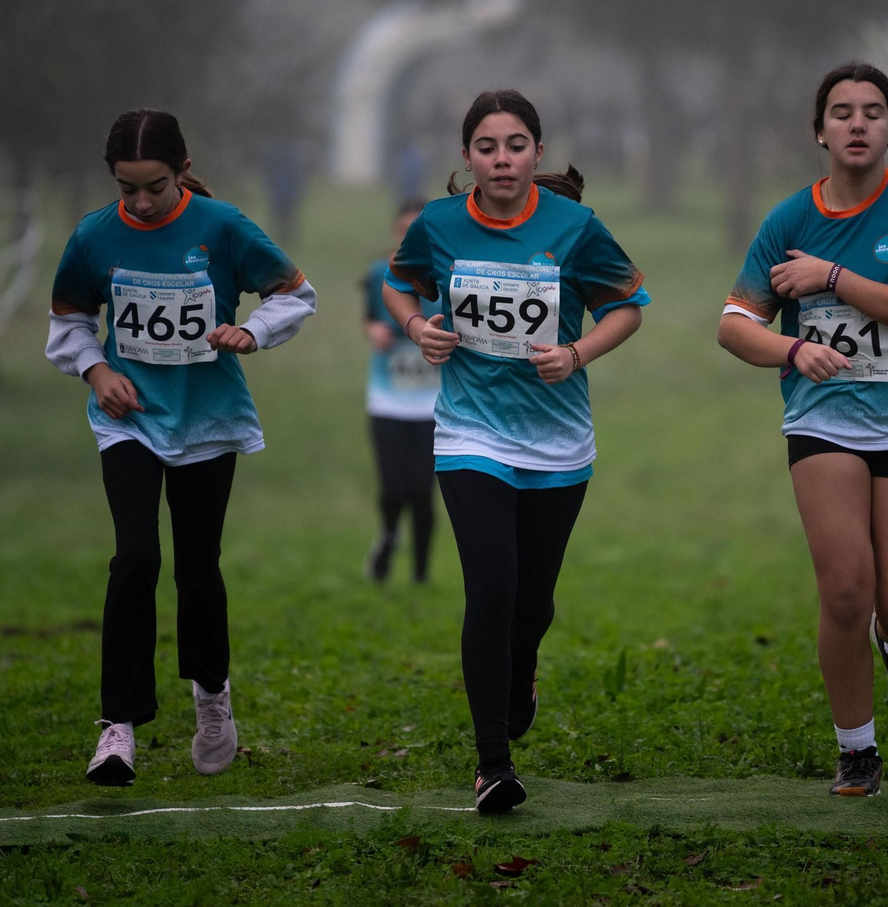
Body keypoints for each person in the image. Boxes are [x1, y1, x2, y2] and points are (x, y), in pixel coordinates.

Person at [383, 90, 649, 814]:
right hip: (472, 432)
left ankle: (524, 662)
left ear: (537, 150)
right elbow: (398, 282)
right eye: (487, 147)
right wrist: (417, 329)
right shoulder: (438, 225)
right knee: (492, 588)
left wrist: (577, 352)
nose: (502, 159)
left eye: (516, 145)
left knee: (530, 602)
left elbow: (628, 306)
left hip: (559, 439)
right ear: (466, 158)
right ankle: (492, 765)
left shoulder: (577, 227)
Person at [717, 62, 888, 798]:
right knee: (844, 591)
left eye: (872, 112)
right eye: (842, 112)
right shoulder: (787, 221)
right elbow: (734, 326)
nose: (857, 123)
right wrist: (795, 348)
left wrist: (831, 278)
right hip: (823, 421)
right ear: (820, 131)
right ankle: (856, 750)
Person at [46, 109, 317, 786]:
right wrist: (97, 370)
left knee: (198, 569)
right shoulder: (93, 236)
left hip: (206, 420)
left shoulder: (222, 226)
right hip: (128, 417)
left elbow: (295, 293)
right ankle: (118, 728)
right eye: (126, 187)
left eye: (155, 187)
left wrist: (250, 332)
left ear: (182, 168)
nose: (139, 202)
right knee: (135, 558)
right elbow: (71, 320)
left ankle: (212, 694)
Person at [362, 197, 442, 583]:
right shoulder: (380, 272)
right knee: (394, 489)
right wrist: (375, 331)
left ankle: (421, 573)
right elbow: (370, 318)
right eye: (404, 230)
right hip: (387, 399)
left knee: (423, 492)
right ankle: (389, 537)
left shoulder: (448, 276)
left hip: (436, 404)